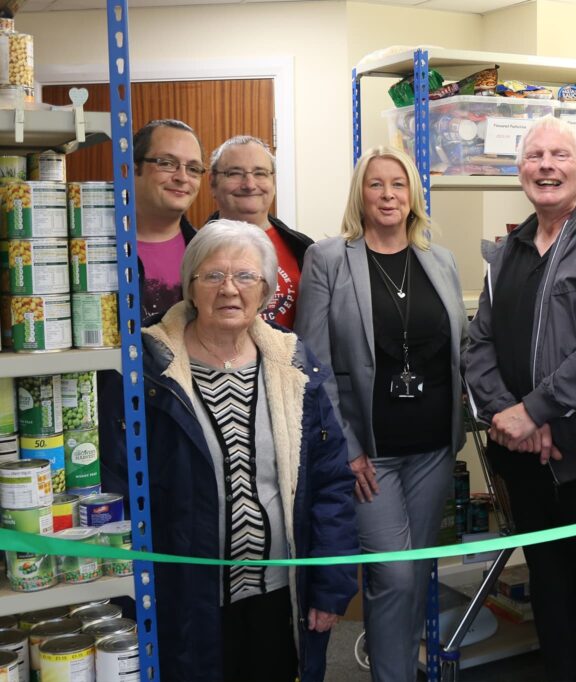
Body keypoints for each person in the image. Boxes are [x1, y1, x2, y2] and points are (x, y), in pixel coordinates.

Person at [99, 220, 358, 682]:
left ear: (264, 291)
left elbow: (331, 483)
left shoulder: (295, 364)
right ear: (190, 287)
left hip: (280, 592)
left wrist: (330, 584)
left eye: (246, 277)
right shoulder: (146, 370)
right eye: (213, 276)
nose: (229, 289)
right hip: (184, 598)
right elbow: (117, 482)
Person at [464, 115, 576, 682]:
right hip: (526, 466)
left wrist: (535, 410)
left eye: (560, 155)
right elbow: (478, 343)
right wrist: (508, 416)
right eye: (535, 156)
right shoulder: (508, 251)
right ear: (519, 171)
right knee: (553, 605)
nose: (547, 166)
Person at [295, 146, 467, 682]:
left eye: (398, 184)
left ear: (413, 194)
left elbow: (456, 350)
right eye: (376, 185)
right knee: (392, 574)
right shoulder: (329, 258)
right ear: (360, 195)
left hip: (434, 448)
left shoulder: (439, 260)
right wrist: (344, 448)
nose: (388, 195)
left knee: (413, 574)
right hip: (370, 454)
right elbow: (310, 360)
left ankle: (395, 669)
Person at [208, 135, 313, 328]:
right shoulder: (194, 250)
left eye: (260, 173)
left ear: (273, 181)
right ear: (213, 183)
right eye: (235, 173)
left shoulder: (304, 250)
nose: (249, 184)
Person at [133, 119, 204, 319]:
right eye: (166, 163)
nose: (182, 177)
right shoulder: (95, 250)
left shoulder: (208, 254)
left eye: (193, 168)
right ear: (132, 169)